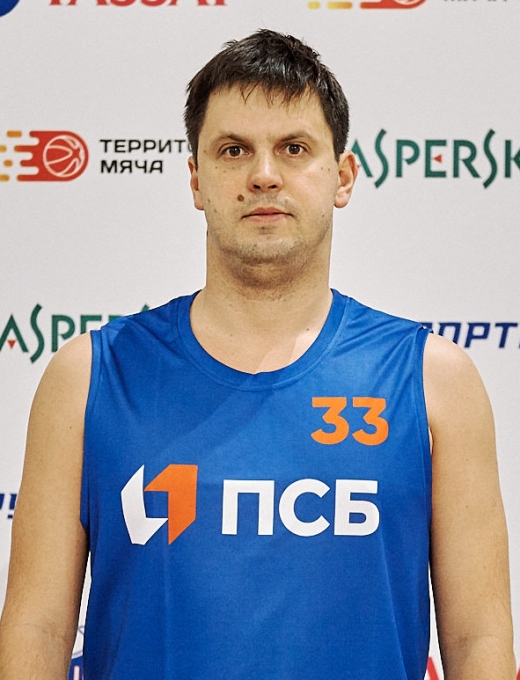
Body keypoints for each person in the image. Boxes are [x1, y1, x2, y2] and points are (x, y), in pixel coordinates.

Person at [0, 29, 515, 680]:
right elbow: (38, 630)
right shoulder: (90, 378)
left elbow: (478, 640)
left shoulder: (433, 381)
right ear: (196, 180)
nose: (264, 175)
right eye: (233, 150)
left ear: (342, 176)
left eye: (294, 148)